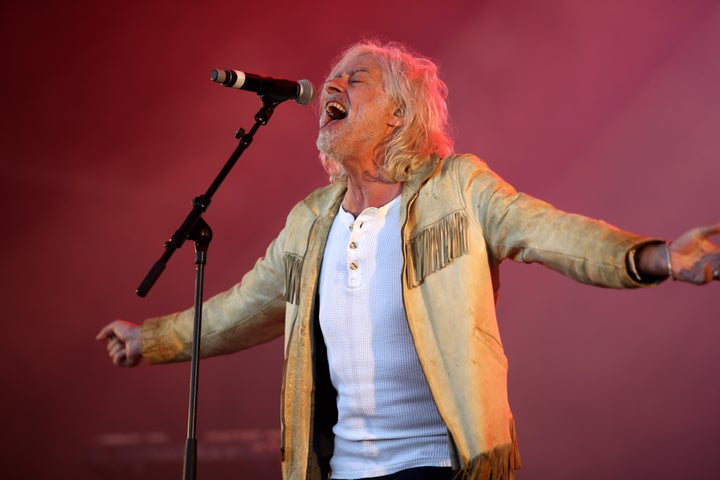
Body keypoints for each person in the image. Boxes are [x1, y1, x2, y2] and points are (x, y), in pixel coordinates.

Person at [97, 39, 720, 480]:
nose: (332, 86)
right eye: (332, 77)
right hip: (337, 469)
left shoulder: (458, 188)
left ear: (398, 112)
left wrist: (657, 256)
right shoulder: (309, 222)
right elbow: (242, 309)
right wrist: (150, 338)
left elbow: (551, 233)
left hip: (434, 465)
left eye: (355, 77)